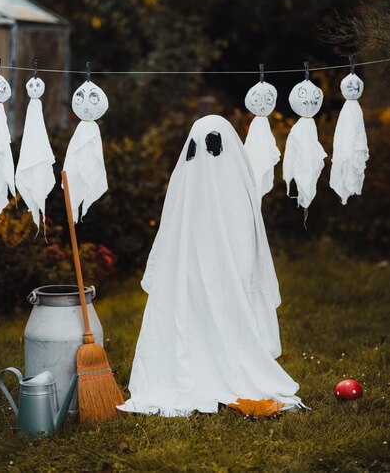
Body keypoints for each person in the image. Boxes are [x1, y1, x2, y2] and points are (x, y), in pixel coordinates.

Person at [118, 115, 304, 417]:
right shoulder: (186, 187)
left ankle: (228, 360)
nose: (204, 155)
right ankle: (195, 363)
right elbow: (172, 234)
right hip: (189, 279)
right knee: (190, 311)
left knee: (228, 309)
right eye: (196, 147)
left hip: (230, 280)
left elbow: (247, 239)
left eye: (213, 145)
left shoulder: (236, 186)